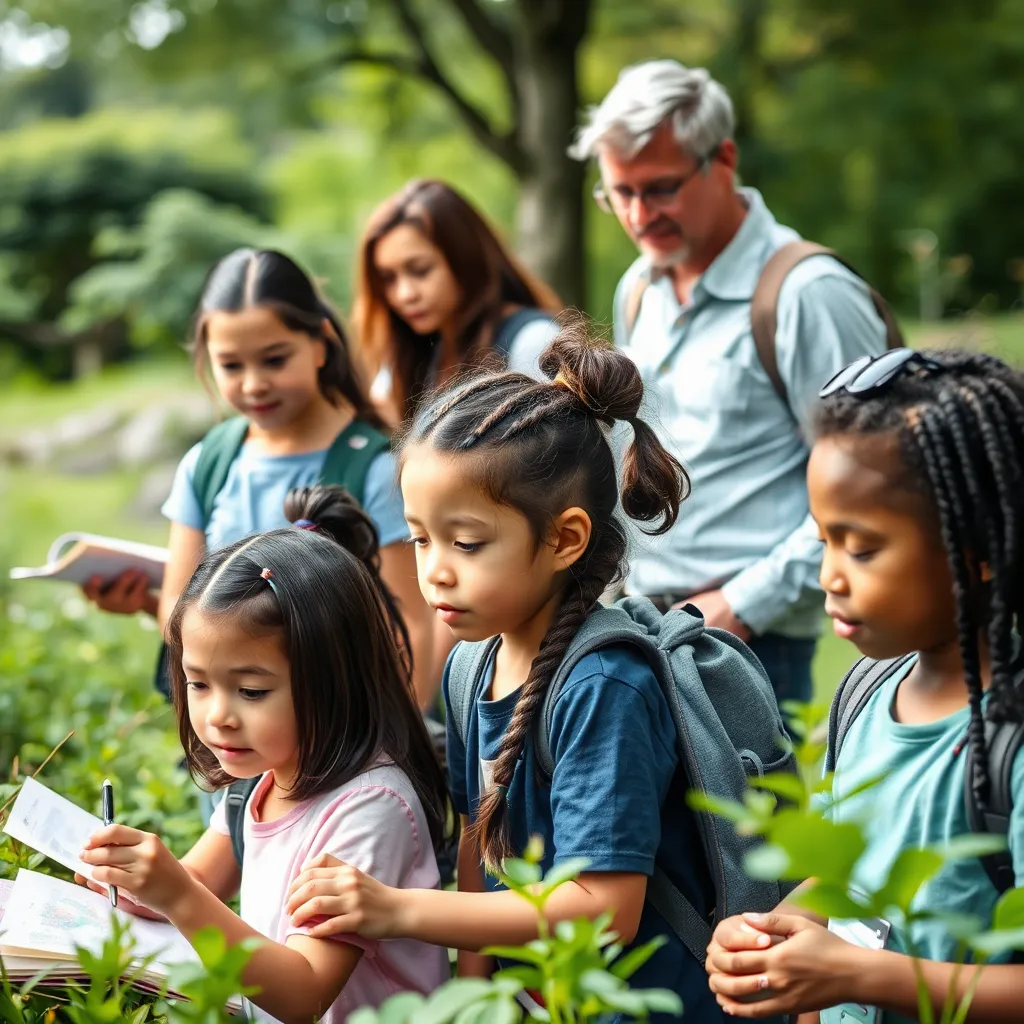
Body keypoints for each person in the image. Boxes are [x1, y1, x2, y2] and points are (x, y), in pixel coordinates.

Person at [283, 328, 731, 1023]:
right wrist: (477, 999)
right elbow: (477, 840)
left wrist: (398, 909)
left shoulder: (602, 686)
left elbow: (605, 911)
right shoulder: (471, 664)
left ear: (564, 539)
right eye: (421, 537)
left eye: (466, 543)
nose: (434, 569)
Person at [704, 349, 1024, 1021]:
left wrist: (863, 976)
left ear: (981, 554)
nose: (829, 576)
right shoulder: (867, 693)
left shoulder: (1009, 742)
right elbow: (852, 872)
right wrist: (776, 937)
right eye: (822, 540)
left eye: (862, 547)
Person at [569, 59, 891, 703]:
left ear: (724, 159)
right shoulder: (639, 287)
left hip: (753, 643)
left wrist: (740, 604)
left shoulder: (807, 294)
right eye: (618, 194)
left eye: (659, 188)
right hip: (643, 627)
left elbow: (875, 483)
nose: (638, 215)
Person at [77, 489, 451, 1024]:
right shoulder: (262, 775)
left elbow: (304, 993)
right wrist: (140, 883)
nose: (218, 716)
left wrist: (177, 895)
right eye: (198, 684)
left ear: (334, 682)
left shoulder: (370, 807)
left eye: (251, 691)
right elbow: (201, 881)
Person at [82, 248, 436, 709]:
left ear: (321, 343)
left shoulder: (374, 469)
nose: (253, 385)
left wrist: (397, 742)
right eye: (231, 365)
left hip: (342, 736)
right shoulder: (207, 463)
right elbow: (179, 608)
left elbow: (412, 623)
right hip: (234, 747)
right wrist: (146, 604)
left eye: (273, 359)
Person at [353, 178, 562, 427]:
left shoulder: (533, 341)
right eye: (388, 279)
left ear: (464, 258)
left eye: (420, 270)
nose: (405, 294)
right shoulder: (411, 354)